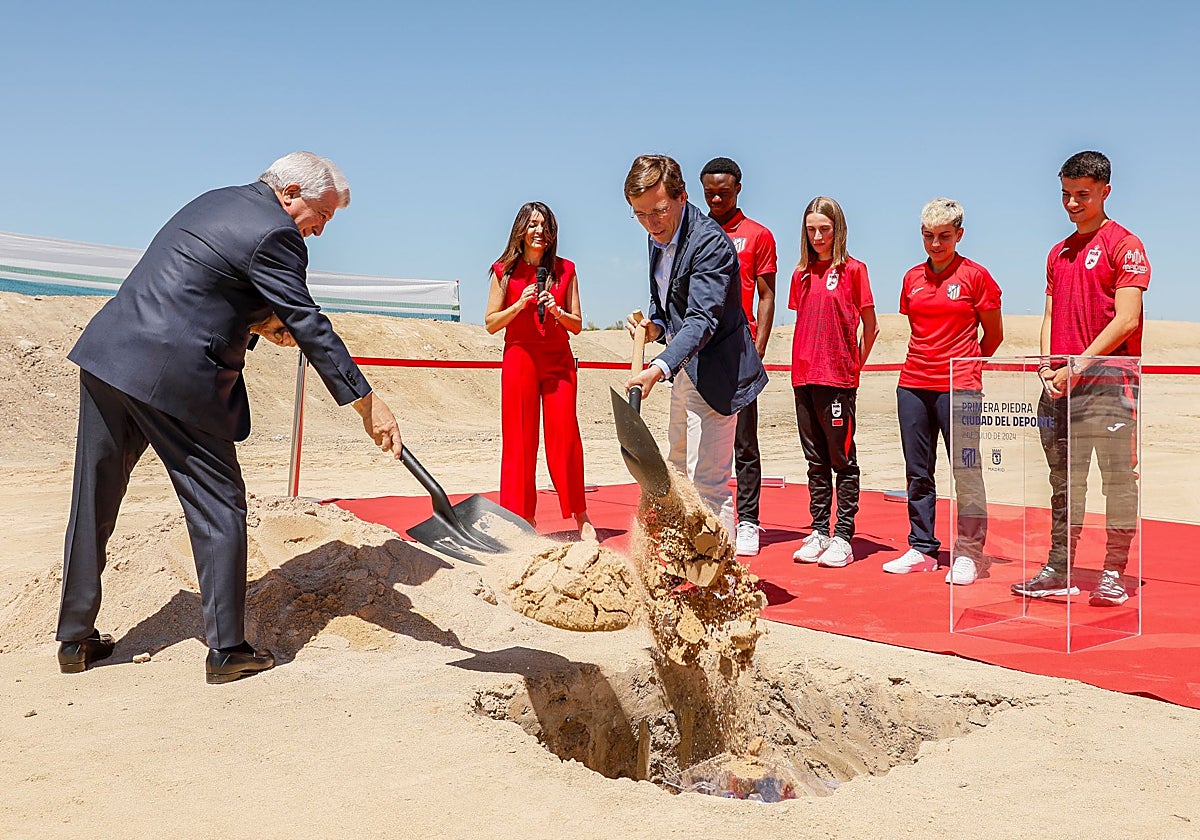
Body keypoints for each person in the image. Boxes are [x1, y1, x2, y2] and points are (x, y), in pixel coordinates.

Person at [57, 152, 404, 685]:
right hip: (174, 376)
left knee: (94, 498)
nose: (320, 230)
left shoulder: (217, 200)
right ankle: (227, 650)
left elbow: (202, 285)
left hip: (110, 355)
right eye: (322, 215)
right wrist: (366, 401)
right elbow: (307, 321)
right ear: (291, 191)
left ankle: (75, 640)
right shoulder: (276, 233)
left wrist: (261, 322)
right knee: (219, 505)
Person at [1012, 151, 1149, 607]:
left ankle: (1113, 572)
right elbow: (1051, 314)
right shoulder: (1058, 253)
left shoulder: (1125, 245)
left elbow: (1127, 319)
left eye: (1082, 195)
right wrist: (1049, 366)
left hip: (1110, 387)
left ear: (1105, 192)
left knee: (1117, 482)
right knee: (1064, 483)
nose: (1072, 204)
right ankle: (1059, 567)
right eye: (1066, 195)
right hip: (1060, 389)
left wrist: (1079, 366)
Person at [622, 154, 768, 537]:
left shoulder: (711, 245)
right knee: (677, 472)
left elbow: (702, 319)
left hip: (719, 373)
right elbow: (668, 301)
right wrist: (653, 326)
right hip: (685, 368)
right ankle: (684, 570)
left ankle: (722, 589)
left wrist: (657, 367)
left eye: (659, 210)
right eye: (639, 214)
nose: (651, 223)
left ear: (683, 197)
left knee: (709, 486)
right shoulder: (657, 237)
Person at [881, 198, 1003, 584]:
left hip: (960, 388)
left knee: (967, 471)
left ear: (959, 235)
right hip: (913, 385)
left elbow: (994, 334)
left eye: (945, 237)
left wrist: (967, 365)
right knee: (918, 472)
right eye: (929, 236)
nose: (936, 244)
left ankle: (969, 552)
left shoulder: (976, 276)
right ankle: (922, 547)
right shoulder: (911, 278)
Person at [484, 202, 593, 540]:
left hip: (559, 361)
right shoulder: (504, 270)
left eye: (545, 226)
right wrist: (520, 304)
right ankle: (520, 520)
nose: (539, 232)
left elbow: (577, 325)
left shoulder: (566, 270)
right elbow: (490, 323)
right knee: (519, 441)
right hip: (520, 360)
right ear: (520, 229)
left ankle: (581, 516)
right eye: (532, 225)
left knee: (565, 440)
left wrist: (556, 311)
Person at [788, 197, 878, 568]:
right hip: (803, 376)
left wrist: (853, 366)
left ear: (837, 229)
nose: (818, 236)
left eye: (824, 229)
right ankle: (819, 531)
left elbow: (871, 327)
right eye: (811, 230)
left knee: (842, 459)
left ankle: (843, 535)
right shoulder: (801, 274)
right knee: (815, 461)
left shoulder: (855, 270)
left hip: (837, 378)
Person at [699, 157, 777, 557]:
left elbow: (766, 295)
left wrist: (759, 348)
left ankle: (749, 521)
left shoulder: (757, 235)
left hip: (741, 350)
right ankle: (706, 517)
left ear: (738, 189)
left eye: (723, 191)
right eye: (709, 191)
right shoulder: (695, 233)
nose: (715, 197)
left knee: (745, 441)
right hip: (702, 350)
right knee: (703, 441)